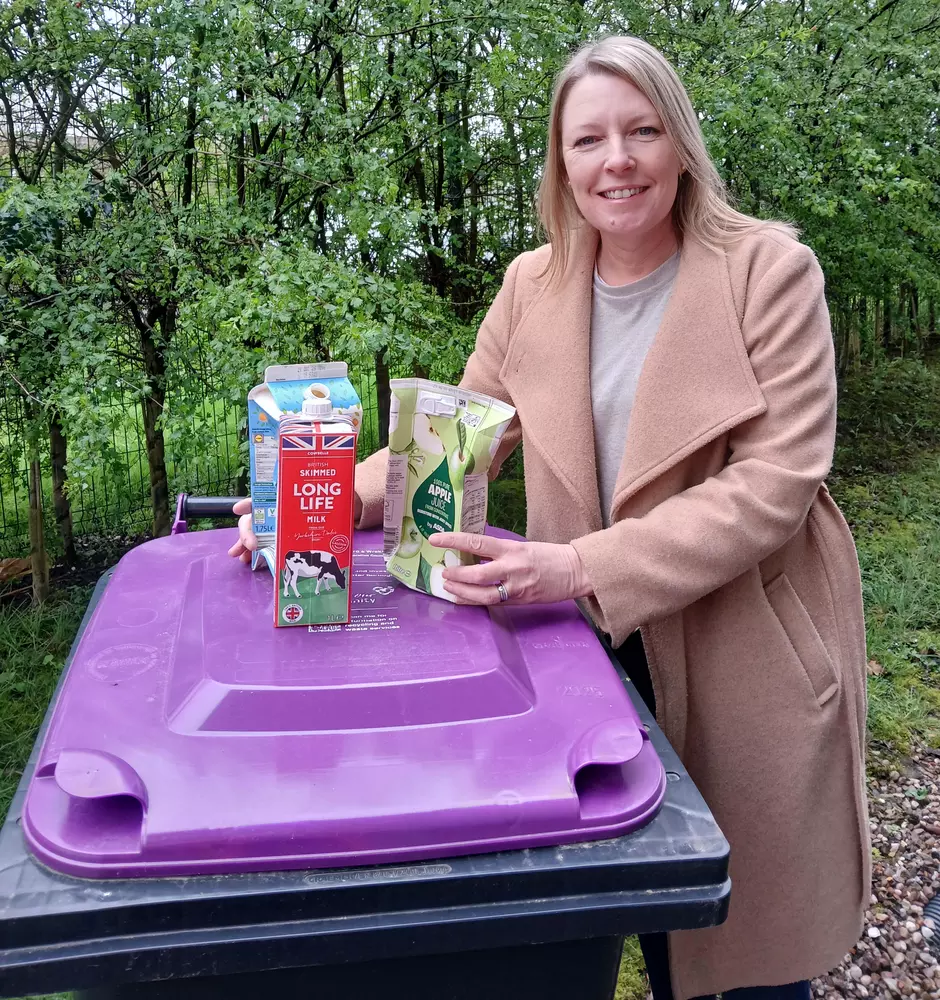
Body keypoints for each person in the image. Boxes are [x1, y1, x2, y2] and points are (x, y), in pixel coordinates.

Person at [229, 35, 870, 1000]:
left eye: (642, 131)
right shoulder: (535, 284)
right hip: (596, 669)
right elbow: (451, 439)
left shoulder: (769, 273)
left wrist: (576, 568)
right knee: (640, 914)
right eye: (588, 140)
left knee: (744, 949)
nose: (617, 160)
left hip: (751, 659)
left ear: (680, 143)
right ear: (561, 164)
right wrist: (303, 504)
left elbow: (775, 485)